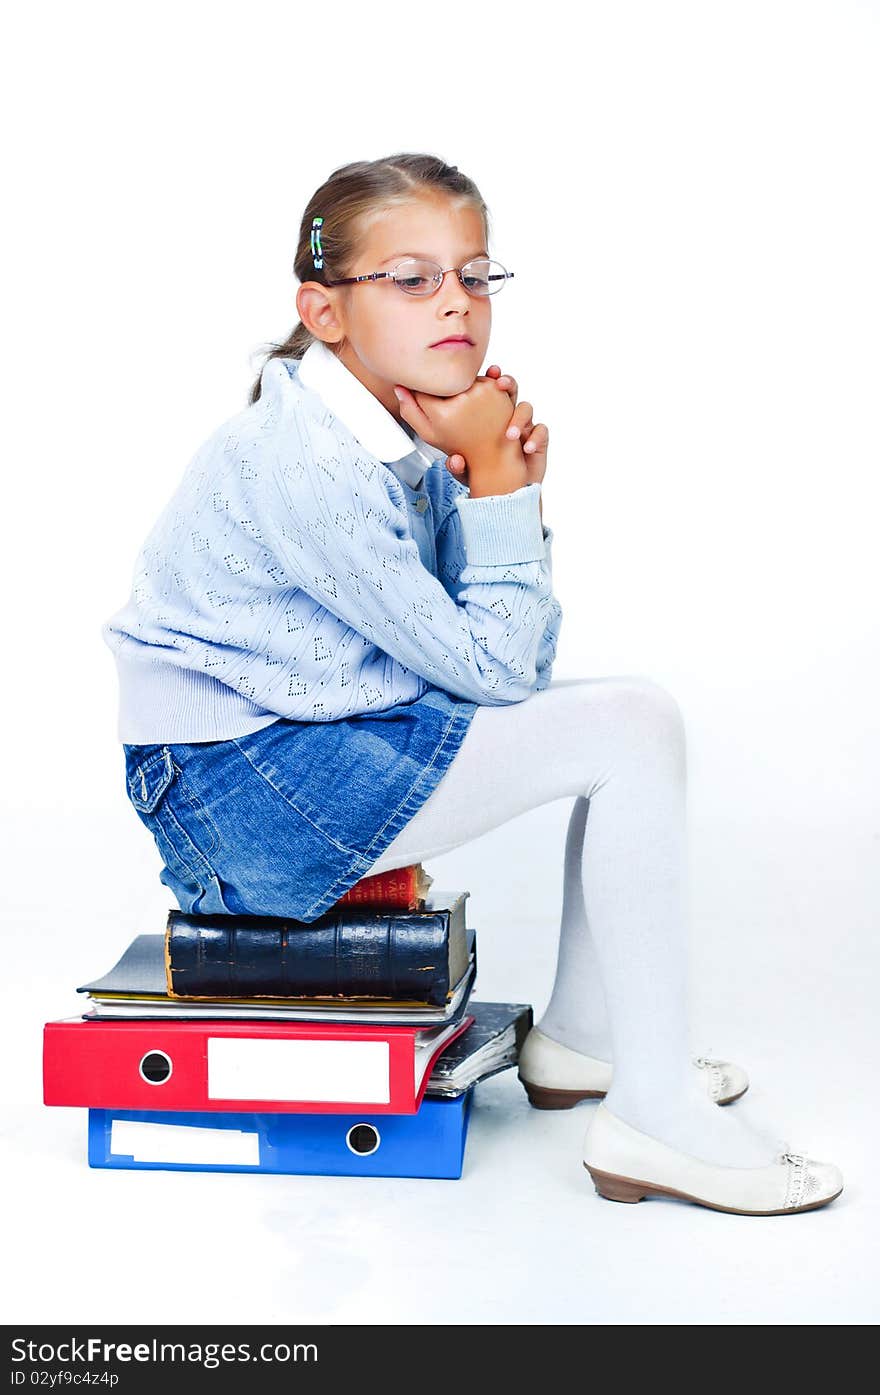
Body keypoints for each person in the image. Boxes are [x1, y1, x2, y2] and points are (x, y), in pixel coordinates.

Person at [103, 151, 842, 1216]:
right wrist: (496, 486)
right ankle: (650, 1114)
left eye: (475, 275)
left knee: (623, 721)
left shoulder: (393, 425)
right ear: (324, 309)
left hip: (296, 755)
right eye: (409, 279)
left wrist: (490, 480)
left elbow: (480, 651)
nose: (455, 302)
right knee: (630, 725)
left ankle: (590, 1045)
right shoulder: (304, 462)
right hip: (241, 797)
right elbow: (496, 669)